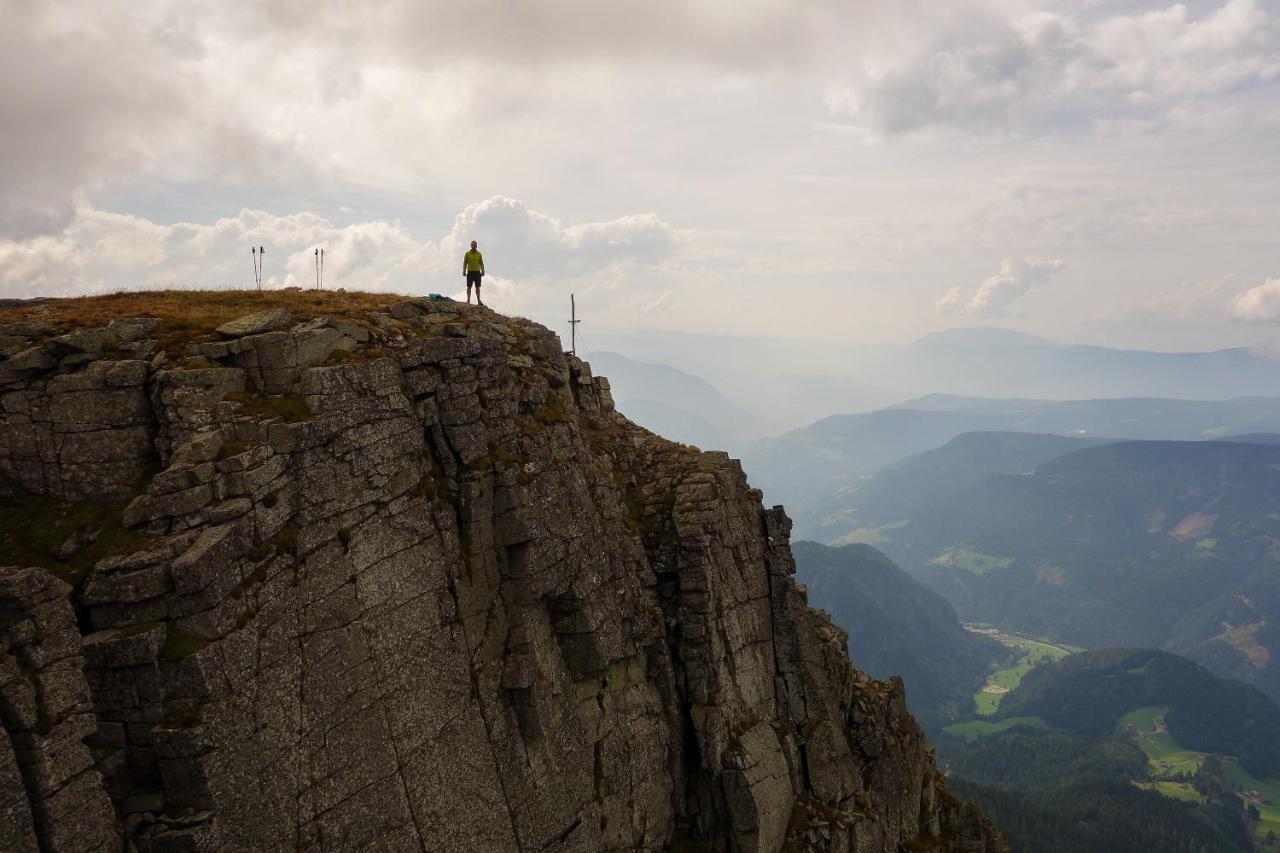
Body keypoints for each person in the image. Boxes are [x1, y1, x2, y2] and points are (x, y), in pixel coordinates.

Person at [463, 241, 485, 306]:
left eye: (475, 245)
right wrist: (464, 271)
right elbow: (465, 263)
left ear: (476, 246)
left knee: (477, 287)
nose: (474, 246)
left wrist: (483, 271)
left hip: (477, 272)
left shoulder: (479, 254)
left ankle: (478, 300)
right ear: (471, 246)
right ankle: (468, 300)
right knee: (469, 286)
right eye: (472, 245)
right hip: (470, 271)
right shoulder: (467, 254)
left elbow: (481, 263)